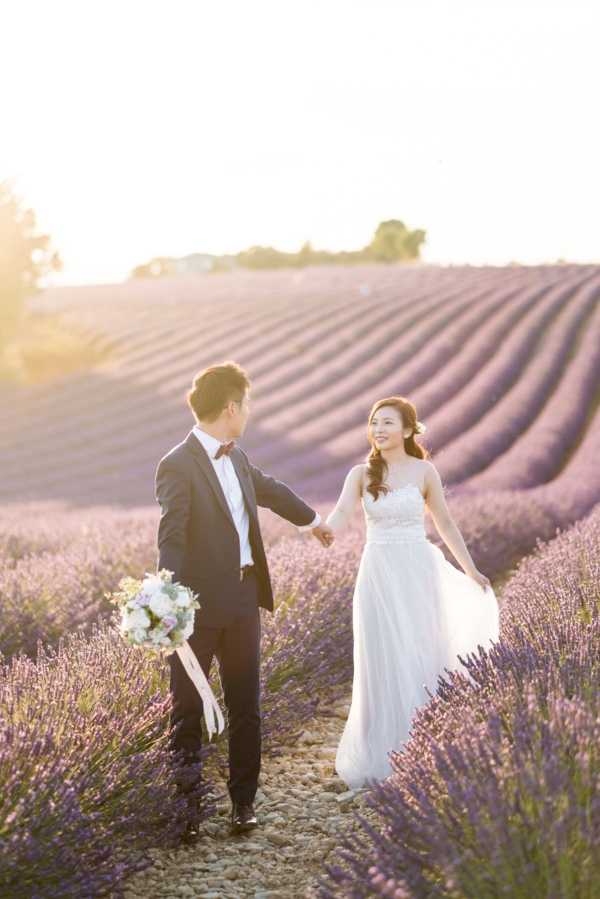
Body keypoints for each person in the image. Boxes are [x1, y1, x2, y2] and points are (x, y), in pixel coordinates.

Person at [154, 361, 334, 842]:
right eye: (247, 404)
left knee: (246, 706)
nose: (249, 412)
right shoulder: (176, 462)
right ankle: (187, 811)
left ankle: (243, 805)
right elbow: (171, 535)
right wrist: (166, 600)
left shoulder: (236, 457)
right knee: (187, 709)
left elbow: (269, 490)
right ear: (231, 408)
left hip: (242, 599)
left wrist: (312, 520)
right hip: (194, 608)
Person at [325, 395, 500, 790]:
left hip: (419, 569)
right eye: (374, 423)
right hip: (378, 573)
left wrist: (470, 569)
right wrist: (319, 529)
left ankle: (428, 747)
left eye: (387, 422)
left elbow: (446, 524)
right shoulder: (360, 473)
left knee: (423, 649)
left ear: (407, 430)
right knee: (382, 652)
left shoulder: (425, 471)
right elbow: (338, 516)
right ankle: (384, 751)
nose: (379, 430)